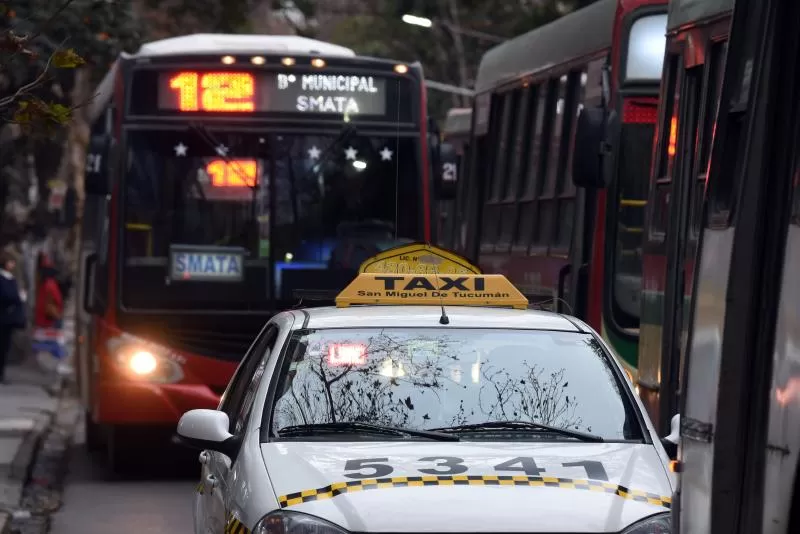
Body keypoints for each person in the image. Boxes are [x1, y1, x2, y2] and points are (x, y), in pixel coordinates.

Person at [0, 249, 27, 383]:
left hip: (8, 319)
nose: (13, 265)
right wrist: (19, 297)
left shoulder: (11, 279)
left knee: (5, 347)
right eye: (11, 262)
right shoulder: (2, 279)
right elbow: (7, 295)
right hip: (3, 316)